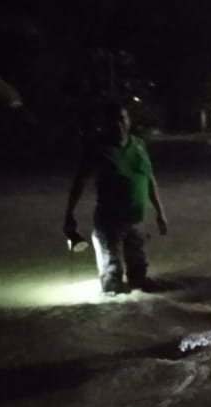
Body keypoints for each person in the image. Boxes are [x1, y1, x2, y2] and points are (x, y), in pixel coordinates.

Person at [64, 101, 168, 294]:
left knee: (139, 274)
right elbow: (79, 182)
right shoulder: (97, 148)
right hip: (109, 221)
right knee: (112, 283)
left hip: (137, 219)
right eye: (113, 120)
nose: (118, 125)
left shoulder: (139, 145)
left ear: (129, 121)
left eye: (122, 118)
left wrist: (160, 213)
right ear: (105, 123)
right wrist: (69, 214)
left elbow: (150, 179)